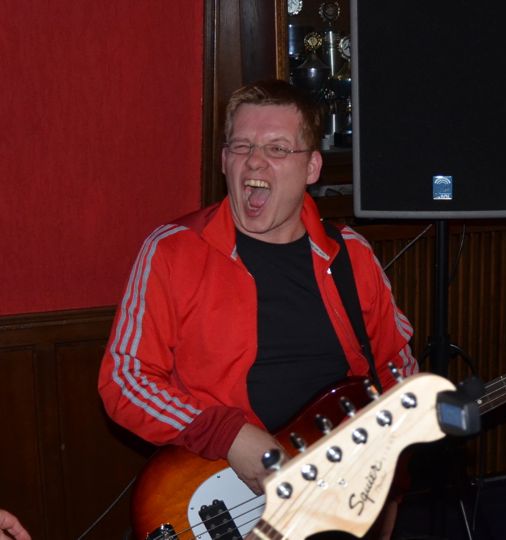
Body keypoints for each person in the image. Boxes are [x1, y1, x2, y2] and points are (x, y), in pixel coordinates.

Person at [98, 79, 419, 537]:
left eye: (277, 148)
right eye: (242, 146)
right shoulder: (172, 252)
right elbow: (125, 379)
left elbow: (396, 374)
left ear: (312, 167)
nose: (254, 160)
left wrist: (386, 479)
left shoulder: (352, 256)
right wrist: (228, 435)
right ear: (224, 160)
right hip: (216, 499)